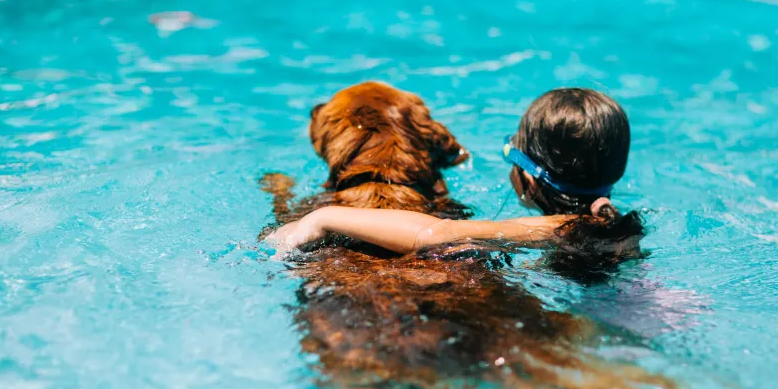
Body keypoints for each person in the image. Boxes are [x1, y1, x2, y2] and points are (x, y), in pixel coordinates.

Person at [266, 88, 644, 268]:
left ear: (527, 179)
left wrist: (323, 216)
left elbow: (433, 235)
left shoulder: (552, 227)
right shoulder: (608, 220)